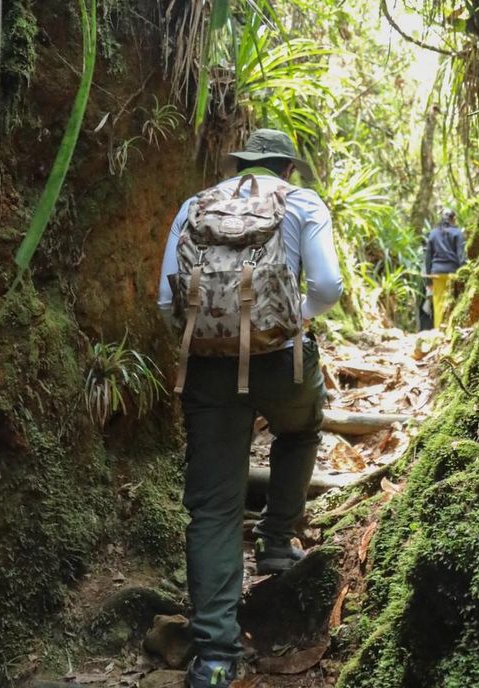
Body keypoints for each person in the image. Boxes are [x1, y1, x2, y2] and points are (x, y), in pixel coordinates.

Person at [157, 129, 343, 688]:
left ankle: (214, 655)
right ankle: (277, 541)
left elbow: (168, 302)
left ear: (239, 165)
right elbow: (329, 286)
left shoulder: (195, 205)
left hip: (207, 368)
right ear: (286, 167)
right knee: (300, 430)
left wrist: (213, 337)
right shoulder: (302, 202)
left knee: (212, 507)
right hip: (280, 361)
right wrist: (294, 320)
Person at [424, 207, 466, 328]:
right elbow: (461, 256)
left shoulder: (433, 234)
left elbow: (428, 258)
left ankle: (438, 331)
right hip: (453, 273)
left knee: (438, 304)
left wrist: (428, 281)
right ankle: (450, 330)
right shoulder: (458, 233)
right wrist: (465, 274)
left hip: (437, 273)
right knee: (454, 303)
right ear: (453, 219)